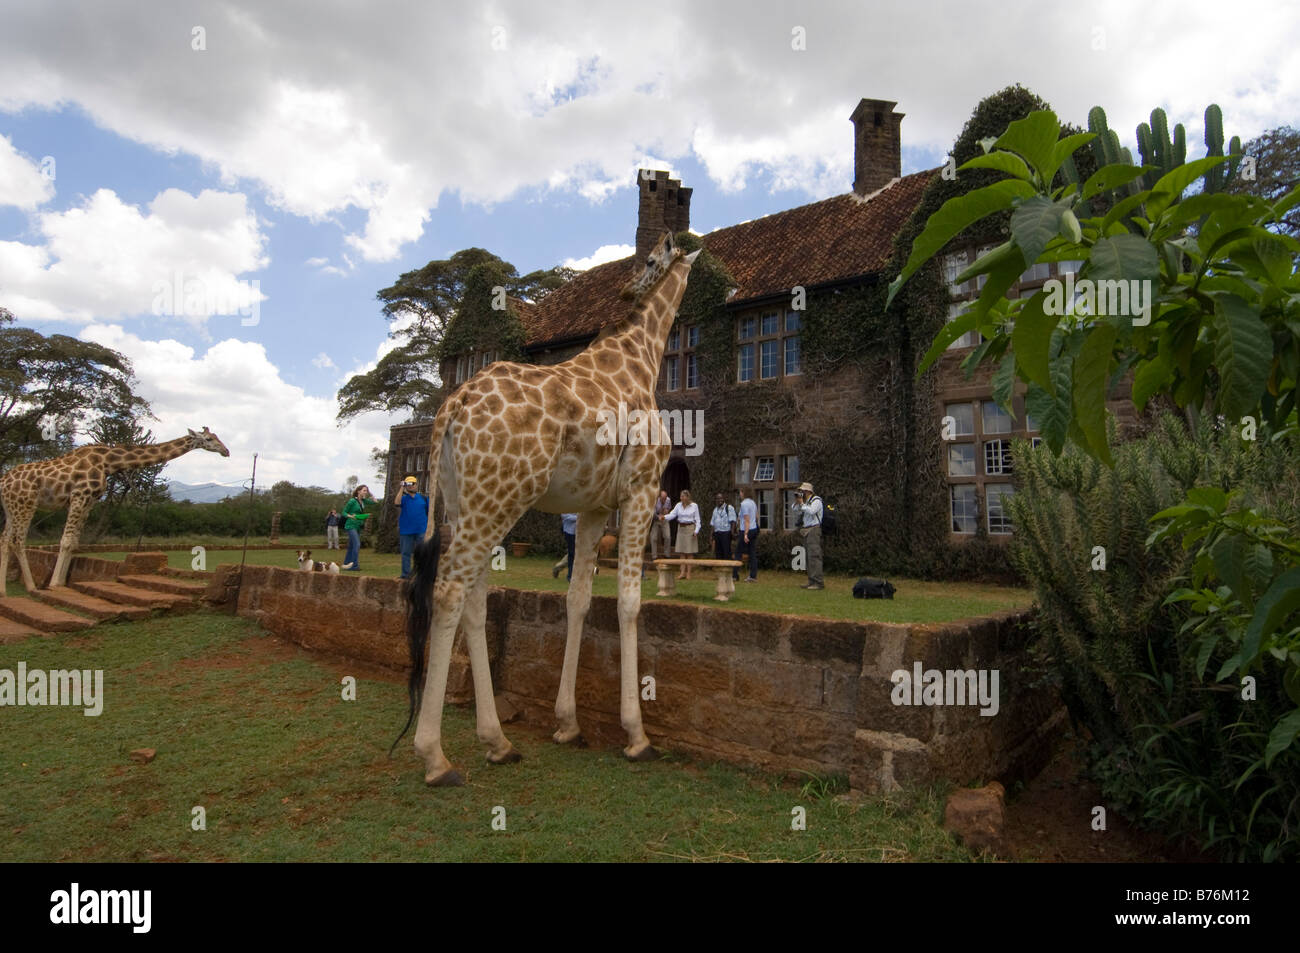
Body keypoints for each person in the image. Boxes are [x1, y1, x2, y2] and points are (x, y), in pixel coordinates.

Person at [391, 476, 429, 579]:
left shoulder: (424, 499)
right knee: (406, 553)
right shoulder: (403, 499)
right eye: (408, 484)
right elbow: (397, 503)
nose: (411, 486)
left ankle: (421, 574)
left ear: (417, 485)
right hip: (406, 531)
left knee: (421, 553)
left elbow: (430, 513)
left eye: (413, 484)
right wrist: (401, 488)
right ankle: (405, 574)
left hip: (421, 530)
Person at [790, 481, 824, 590]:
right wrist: (798, 501)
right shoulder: (804, 502)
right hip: (806, 530)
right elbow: (794, 509)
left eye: (802, 491)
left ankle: (818, 582)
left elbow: (812, 511)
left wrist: (802, 504)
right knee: (808, 557)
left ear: (808, 491)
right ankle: (811, 580)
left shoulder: (817, 500)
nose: (801, 493)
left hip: (814, 529)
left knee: (814, 556)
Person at [661, 489, 701, 580]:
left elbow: (698, 520)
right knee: (682, 552)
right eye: (681, 496)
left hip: (690, 529)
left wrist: (696, 531)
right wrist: (664, 517)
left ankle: (689, 573)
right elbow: (672, 514)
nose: (681, 498)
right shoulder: (678, 505)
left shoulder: (694, 506)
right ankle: (682, 572)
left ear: (687, 497)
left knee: (689, 552)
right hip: (681, 529)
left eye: (683, 496)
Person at [341, 485, 372, 572]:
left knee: (351, 546)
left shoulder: (363, 501)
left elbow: (374, 502)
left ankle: (346, 564)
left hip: (358, 526)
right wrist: (351, 516)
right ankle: (354, 566)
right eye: (364, 490)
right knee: (357, 544)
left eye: (366, 491)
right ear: (358, 491)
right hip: (350, 525)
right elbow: (343, 512)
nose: (365, 492)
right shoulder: (352, 501)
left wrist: (371, 495)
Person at [709, 492, 738, 581]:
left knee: (726, 554)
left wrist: (732, 532)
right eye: (717, 499)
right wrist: (711, 535)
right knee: (718, 554)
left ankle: (729, 574)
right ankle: (720, 574)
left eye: (720, 498)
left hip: (726, 533)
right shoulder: (715, 510)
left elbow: (733, 521)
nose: (719, 500)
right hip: (718, 533)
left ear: (723, 499)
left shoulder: (729, 508)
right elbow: (713, 524)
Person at [736, 487, 759, 582]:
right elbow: (756, 516)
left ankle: (734, 574)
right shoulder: (753, 503)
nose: (740, 494)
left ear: (744, 493)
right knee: (752, 552)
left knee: (738, 552)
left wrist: (745, 534)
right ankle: (753, 575)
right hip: (754, 529)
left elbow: (747, 520)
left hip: (746, 530)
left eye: (741, 492)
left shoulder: (744, 504)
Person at [551, 512, 579, 581]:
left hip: (581, 531)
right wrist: (580, 517)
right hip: (570, 532)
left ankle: (559, 567)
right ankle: (570, 575)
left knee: (580, 553)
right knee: (572, 554)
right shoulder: (566, 504)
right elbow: (565, 516)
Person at [649, 489, 673, 561]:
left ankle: (667, 555)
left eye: (665, 498)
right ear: (659, 497)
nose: (664, 500)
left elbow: (669, 508)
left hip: (664, 519)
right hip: (656, 519)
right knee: (653, 538)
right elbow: (651, 513)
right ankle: (654, 556)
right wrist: (657, 517)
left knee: (667, 536)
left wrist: (667, 511)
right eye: (663, 498)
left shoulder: (668, 500)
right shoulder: (655, 501)